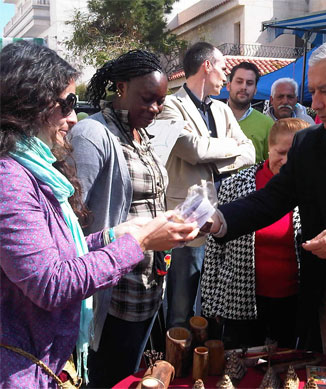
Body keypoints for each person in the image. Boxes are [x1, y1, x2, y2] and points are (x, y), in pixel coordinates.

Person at [0, 41, 198, 389]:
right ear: (29, 103)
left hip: (51, 351)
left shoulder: (32, 170)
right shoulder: (10, 180)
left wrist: (114, 235)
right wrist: (137, 242)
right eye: (66, 104)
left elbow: (60, 246)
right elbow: (52, 283)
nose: (74, 118)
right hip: (23, 367)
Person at [210, 36, 326, 362]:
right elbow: (271, 199)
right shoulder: (309, 144)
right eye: (312, 92)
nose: (315, 104)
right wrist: (217, 219)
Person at [69, 50, 172, 387]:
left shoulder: (140, 136)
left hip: (149, 286)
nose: (155, 110)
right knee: (106, 378)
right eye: (147, 99)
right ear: (120, 87)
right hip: (113, 294)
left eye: (160, 102)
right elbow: (72, 219)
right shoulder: (92, 135)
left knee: (129, 375)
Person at [157, 42, 255, 329]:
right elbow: (192, 150)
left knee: (213, 306)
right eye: (223, 68)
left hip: (223, 218)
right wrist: (227, 148)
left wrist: (212, 156)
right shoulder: (169, 107)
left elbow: (249, 152)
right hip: (185, 220)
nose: (226, 76)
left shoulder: (222, 110)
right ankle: (175, 366)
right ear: (207, 66)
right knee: (180, 309)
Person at [202, 118, 309, 349]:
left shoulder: (311, 188)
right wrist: (211, 302)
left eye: (295, 153)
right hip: (240, 300)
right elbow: (213, 251)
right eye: (281, 152)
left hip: (291, 301)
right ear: (268, 148)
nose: (287, 160)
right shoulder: (235, 185)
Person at [227, 62, 275, 163]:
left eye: (249, 83)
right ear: (228, 86)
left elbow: (270, 165)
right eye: (239, 81)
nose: (244, 87)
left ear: (255, 90)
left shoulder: (267, 124)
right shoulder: (212, 116)